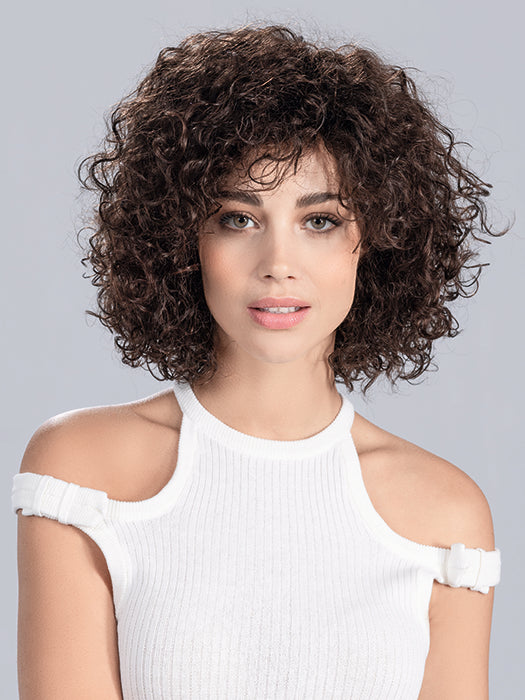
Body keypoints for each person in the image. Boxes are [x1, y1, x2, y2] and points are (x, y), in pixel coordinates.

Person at [12, 22, 507, 700]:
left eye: (319, 220)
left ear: (376, 240)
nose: (278, 264)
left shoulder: (445, 514)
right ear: (183, 239)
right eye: (238, 218)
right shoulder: (83, 470)